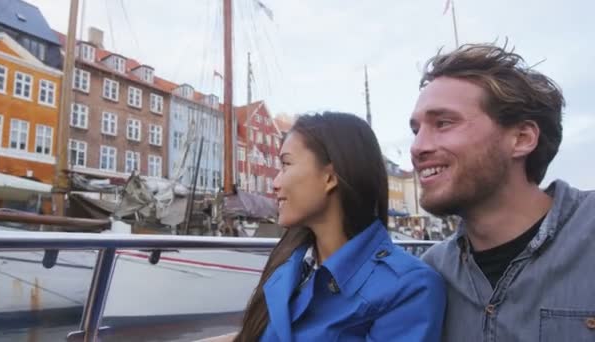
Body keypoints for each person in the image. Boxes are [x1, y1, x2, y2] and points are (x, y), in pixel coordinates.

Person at [411, 43, 595, 341]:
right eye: (416, 130)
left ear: (521, 139)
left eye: (443, 123)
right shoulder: (430, 275)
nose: (418, 147)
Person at [231, 112, 446, 341]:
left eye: (286, 164)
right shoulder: (290, 266)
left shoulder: (409, 288)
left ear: (329, 178)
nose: (275, 183)